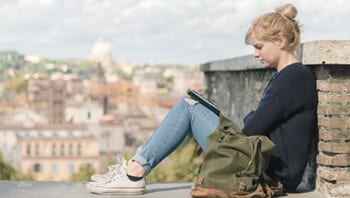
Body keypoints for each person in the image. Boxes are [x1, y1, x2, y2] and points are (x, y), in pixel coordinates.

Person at [86, 3, 317, 195]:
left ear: (280, 41)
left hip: (271, 173)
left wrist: (236, 125)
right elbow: (258, 125)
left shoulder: (294, 77)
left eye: (259, 46)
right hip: (263, 165)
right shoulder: (288, 76)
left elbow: (253, 126)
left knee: (188, 108)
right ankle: (135, 168)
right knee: (191, 104)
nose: (255, 53)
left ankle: (133, 172)